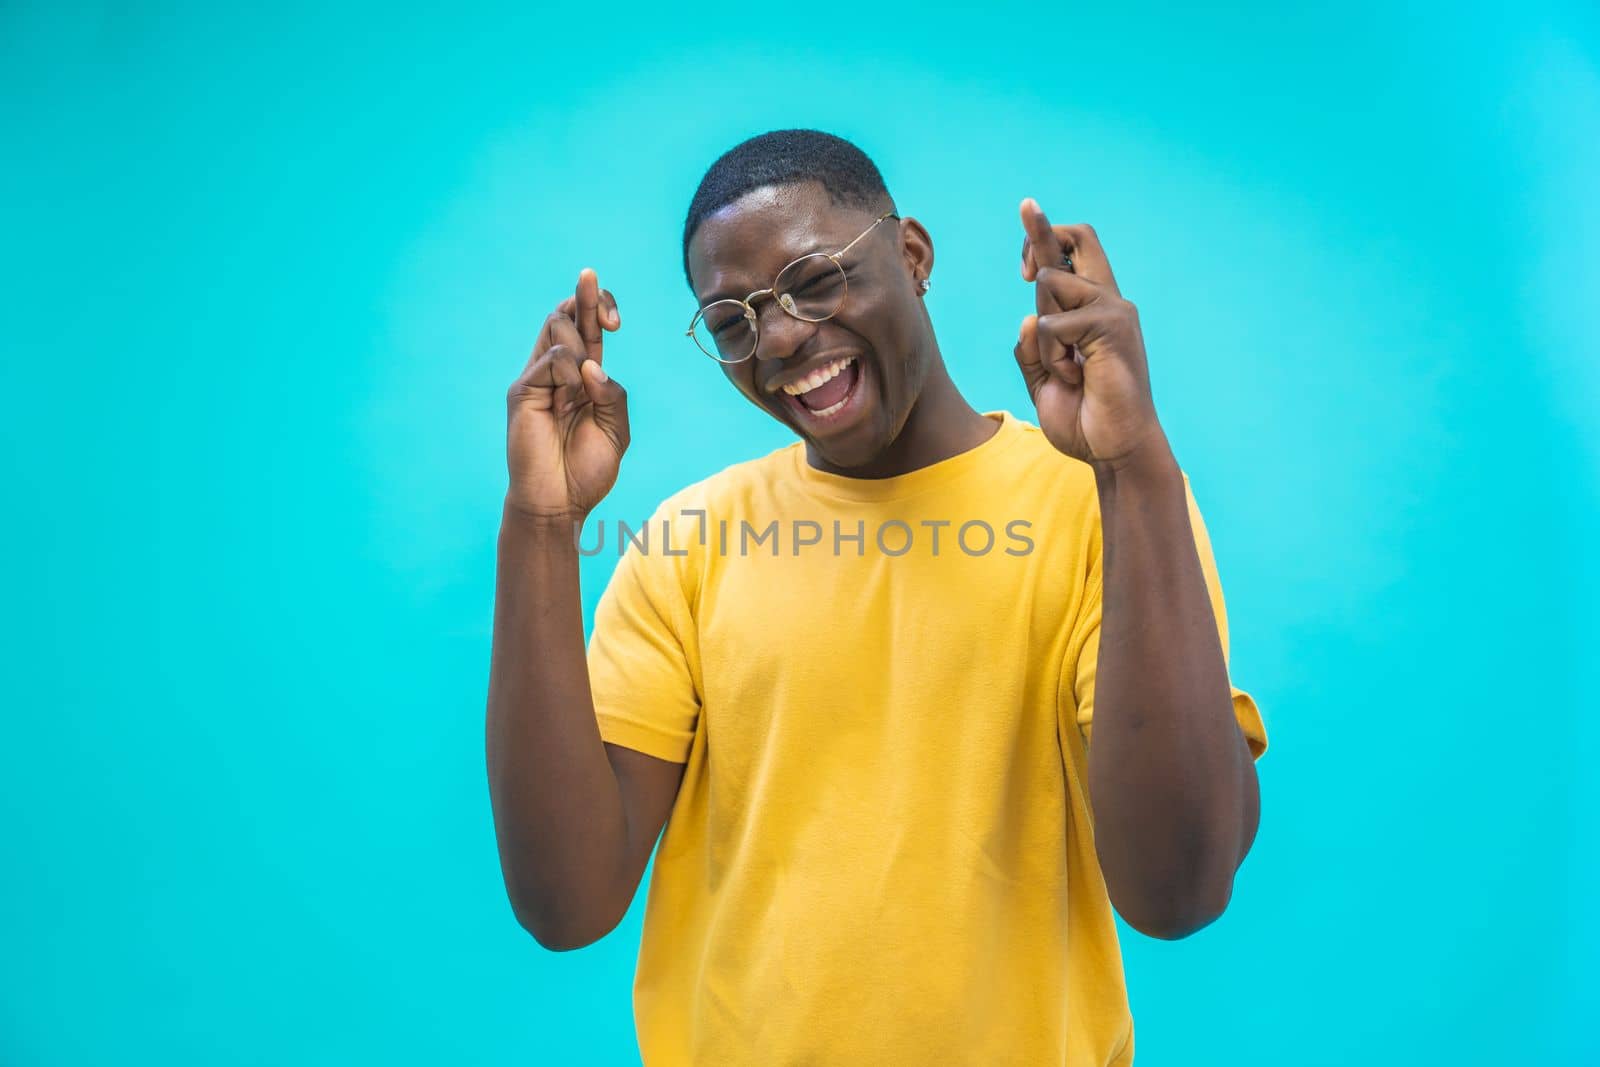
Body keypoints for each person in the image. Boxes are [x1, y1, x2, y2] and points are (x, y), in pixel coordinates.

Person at [486, 129, 1269, 1066]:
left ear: (912, 255)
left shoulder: (1106, 508)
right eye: (732, 321)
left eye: (814, 280)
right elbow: (565, 903)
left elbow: (1179, 888)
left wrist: (1131, 464)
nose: (777, 338)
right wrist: (540, 520)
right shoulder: (690, 540)